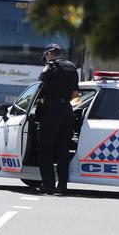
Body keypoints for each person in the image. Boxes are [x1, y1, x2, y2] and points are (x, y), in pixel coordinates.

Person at [36, 43, 79, 194]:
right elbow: (75, 95)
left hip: (51, 111)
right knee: (63, 150)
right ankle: (62, 186)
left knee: (45, 149)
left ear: (49, 54)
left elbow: (39, 87)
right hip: (67, 111)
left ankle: (48, 185)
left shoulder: (50, 67)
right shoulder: (72, 67)